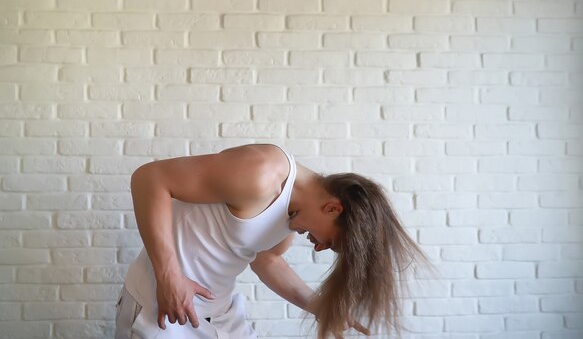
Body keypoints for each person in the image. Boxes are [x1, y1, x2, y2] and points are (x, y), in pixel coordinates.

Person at [115, 143, 429, 339]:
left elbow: (268, 260)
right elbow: (149, 178)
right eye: (330, 242)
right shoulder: (261, 173)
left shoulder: (294, 212)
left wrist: (319, 306)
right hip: (163, 307)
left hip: (220, 313)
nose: (318, 247)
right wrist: (168, 275)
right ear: (333, 208)